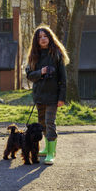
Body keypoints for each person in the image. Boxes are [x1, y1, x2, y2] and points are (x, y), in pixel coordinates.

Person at [25, 25, 69, 165]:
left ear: (50, 38)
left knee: (50, 123)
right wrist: (41, 72)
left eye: (45, 36)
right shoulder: (34, 56)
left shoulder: (56, 55)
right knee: (42, 123)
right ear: (36, 41)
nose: (43, 39)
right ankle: (46, 148)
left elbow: (63, 79)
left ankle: (51, 153)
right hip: (39, 96)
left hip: (53, 96)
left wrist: (62, 97)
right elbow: (30, 76)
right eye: (40, 37)